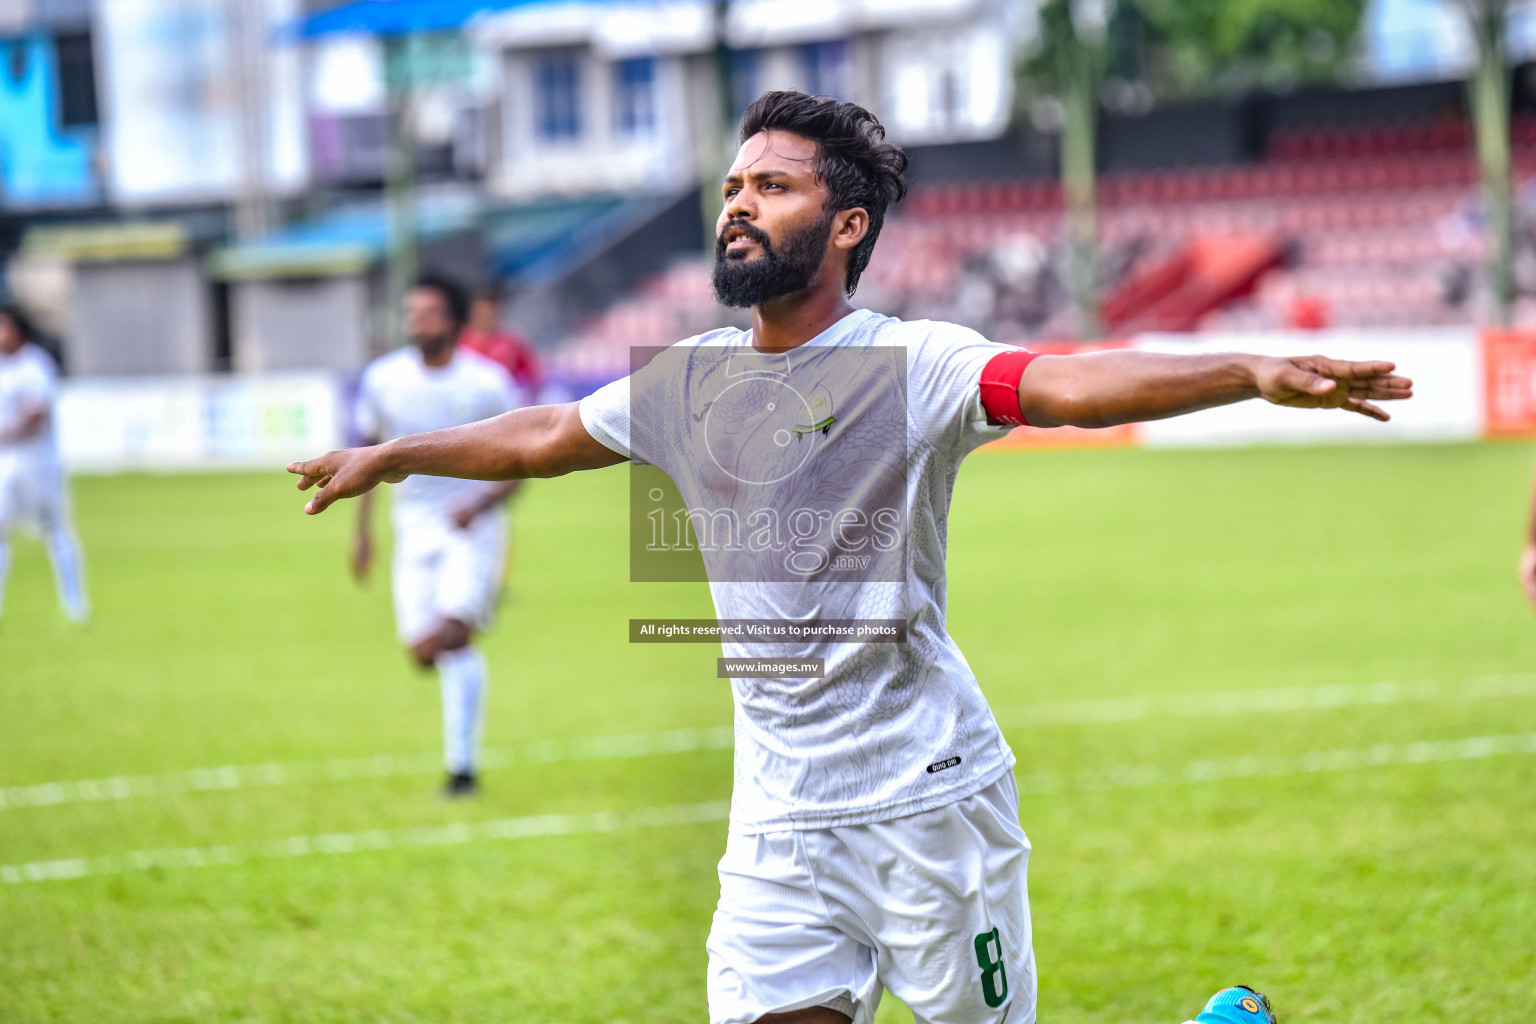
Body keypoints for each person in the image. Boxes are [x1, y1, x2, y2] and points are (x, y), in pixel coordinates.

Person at [288, 93, 1412, 1023]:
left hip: (926, 798)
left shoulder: (913, 363)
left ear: (847, 227)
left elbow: (1068, 382)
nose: (738, 204)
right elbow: (543, 433)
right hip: (776, 815)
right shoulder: (687, 380)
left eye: (771, 186)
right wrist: (394, 454)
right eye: (733, 186)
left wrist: (1248, 368)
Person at [351, 275, 522, 797]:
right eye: (411, 313)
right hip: (413, 529)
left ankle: (462, 768)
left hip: (472, 528)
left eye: (427, 312)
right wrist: (362, 535)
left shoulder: (488, 382)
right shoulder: (384, 379)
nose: (416, 322)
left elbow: (524, 457)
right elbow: (365, 461)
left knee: (454, 632)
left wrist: (481, 502)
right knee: (425, 651)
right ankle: (463, 758)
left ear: (452, 321)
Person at [0, 304, 89, 623]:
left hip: (36, 462)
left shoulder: (35, 365)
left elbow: (36, 414)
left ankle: (75, 602)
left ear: (17, 330)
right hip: (5, 464)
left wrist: (6, 434)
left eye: (3, 327)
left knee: (55, 528)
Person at [459, 284, 543, 401]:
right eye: (482, 311)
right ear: (473, 311)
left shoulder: (512, 341)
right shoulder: (459, 341)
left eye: (491, 310)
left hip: (504, 404)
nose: (486, 315)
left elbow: (533, 376)